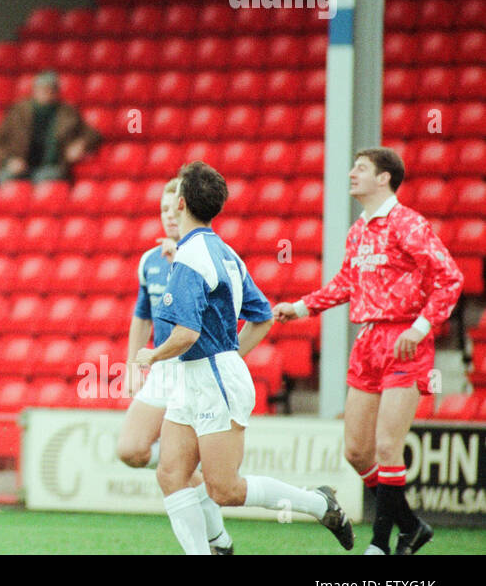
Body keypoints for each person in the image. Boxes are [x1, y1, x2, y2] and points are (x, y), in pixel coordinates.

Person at [134, 161, 354, 555]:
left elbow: (186, 333)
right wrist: (231, 356)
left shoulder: (188, 258)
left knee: (224, 490)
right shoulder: (226, 253)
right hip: (202, 374)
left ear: (180, 203)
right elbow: (262, 316)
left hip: (211, 376)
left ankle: (319, 503)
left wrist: (153, 354)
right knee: (171, 473)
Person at [272, 147, 462, 555]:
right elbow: (345, 283)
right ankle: (411, 526)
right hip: (368, 342)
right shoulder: (358, 230)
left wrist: (420, 326)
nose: (351, 173)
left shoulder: (408, 224)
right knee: (356, 451)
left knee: (386, 447)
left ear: (384, 178)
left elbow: (450, 278)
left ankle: (379, 545)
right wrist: (302, 307)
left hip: (406, 342)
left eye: (360, 168)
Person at [117, 177, 234, 554]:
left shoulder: (195, 256)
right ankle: (215, 529)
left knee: (176, 470)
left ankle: (217, 540)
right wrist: (134, 365)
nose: (169, 216)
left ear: (186, 207)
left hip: (193, 367)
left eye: (174, 208)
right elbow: (141, 316)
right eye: (163, 210)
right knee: (131, 449)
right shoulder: (149, 261)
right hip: (162, 367)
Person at [0, 70, 102, 184]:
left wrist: (80, 144)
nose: (45, 92)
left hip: (51, 167)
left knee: (46, 184)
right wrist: (9, 161)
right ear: (34, 90)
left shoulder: (67, 112)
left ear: (56, 92)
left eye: (50, 89)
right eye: (41, 89)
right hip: (20, 166)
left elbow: (93, 135)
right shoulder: (18, 111)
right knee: (5, 180)